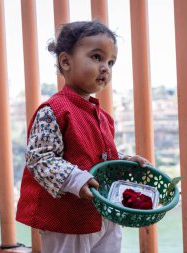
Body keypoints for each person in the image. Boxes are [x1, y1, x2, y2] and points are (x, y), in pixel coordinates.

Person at [16, 21, 151, 253]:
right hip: (66, 220)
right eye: (97, 57)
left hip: (103, 215)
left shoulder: (103, 116)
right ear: (66, 61)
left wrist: (123, 161)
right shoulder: (54, 110)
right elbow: (40, 159)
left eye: (111, 62)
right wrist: (76, 180)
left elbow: (97, 155)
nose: (106, 67)